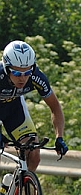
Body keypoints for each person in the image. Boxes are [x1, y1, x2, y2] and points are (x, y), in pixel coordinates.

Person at [1, 41, 68, 169]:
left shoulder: (37, 77)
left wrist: (59, 137)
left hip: (13, 110)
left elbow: (55, 107)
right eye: (16, 73)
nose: (22, 78)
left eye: (27, 73)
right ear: (6, 68)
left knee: (34, 155)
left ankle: (24, 186)